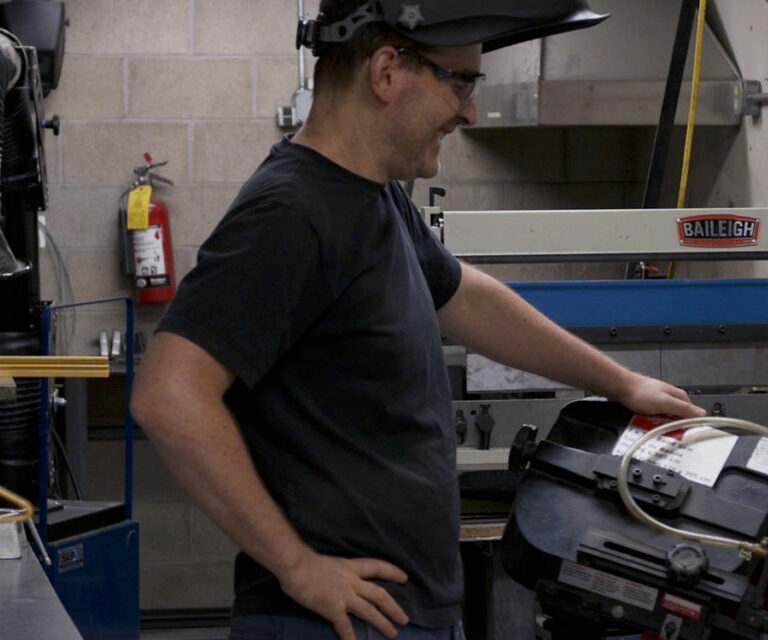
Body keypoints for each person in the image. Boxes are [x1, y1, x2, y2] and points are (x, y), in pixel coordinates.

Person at [129, 2, 706, 640]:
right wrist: (297, 567)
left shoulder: (371, 195)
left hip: (405, 613)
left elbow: (465, 297)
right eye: (460, 82)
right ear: (386, 72)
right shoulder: (290, 213)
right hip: (334, 620)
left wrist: (622, 384)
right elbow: (169, 394)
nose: (469, 111)